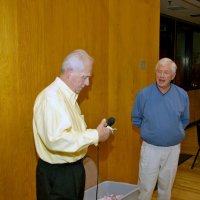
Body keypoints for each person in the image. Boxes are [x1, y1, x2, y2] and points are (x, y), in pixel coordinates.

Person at [33, 49, 113, 200]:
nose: (88, 83)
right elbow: (57, 140)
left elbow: (72, 134)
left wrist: (96, 132)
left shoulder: (69, 98)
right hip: (58, 176)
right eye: (84, 77)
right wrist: (95, 135)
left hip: (72, 171)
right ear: (69, 72)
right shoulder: (51, 98)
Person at [131, 58, 189, 200]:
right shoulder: (143, 94)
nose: (161, 75)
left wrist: (172, 132)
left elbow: (185, 119)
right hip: (150, 149)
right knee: (145, 187)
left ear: (173, 76)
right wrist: (152, 132)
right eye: (159, 71)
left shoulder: (182, 95)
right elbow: (136, 119)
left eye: (166, 72)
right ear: (155, 73)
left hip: (173, 149)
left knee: (166, 188)